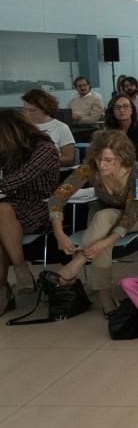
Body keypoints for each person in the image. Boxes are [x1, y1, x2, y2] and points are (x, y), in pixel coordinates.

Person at [48, 131, 138, 316]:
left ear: (122, 157)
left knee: (102, 223)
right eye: (99, 159)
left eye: (109, 160)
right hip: (103, 216)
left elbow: (131, 214)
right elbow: (58, 197)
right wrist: (59, 232)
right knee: (102, 218)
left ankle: (78, 264)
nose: (102, 164)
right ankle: (105, 298)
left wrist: (104, 242)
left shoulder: (137, 172)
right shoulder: (90, 167)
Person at [0, 111, 61, 309]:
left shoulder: (45, 148)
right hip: (12, 206)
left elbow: (24, 175)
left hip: (42, 205)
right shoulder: (9, 151)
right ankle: (9, 283)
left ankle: (17, 274)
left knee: (1, 210)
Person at [21, 88, 75, 166]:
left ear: (45, 108)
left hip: (50, 172)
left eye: (32, 110)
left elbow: (68, 159)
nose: (27, 114)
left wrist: (42, 163)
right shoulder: (22, 127)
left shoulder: (61, 127)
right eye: (25, 110)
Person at [105, 94, 138, 166]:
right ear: (112, 112)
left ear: (132, 110)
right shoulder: (107, 134)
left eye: (125, 106)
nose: (121, 110)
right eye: (117, 107)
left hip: (136, 172)